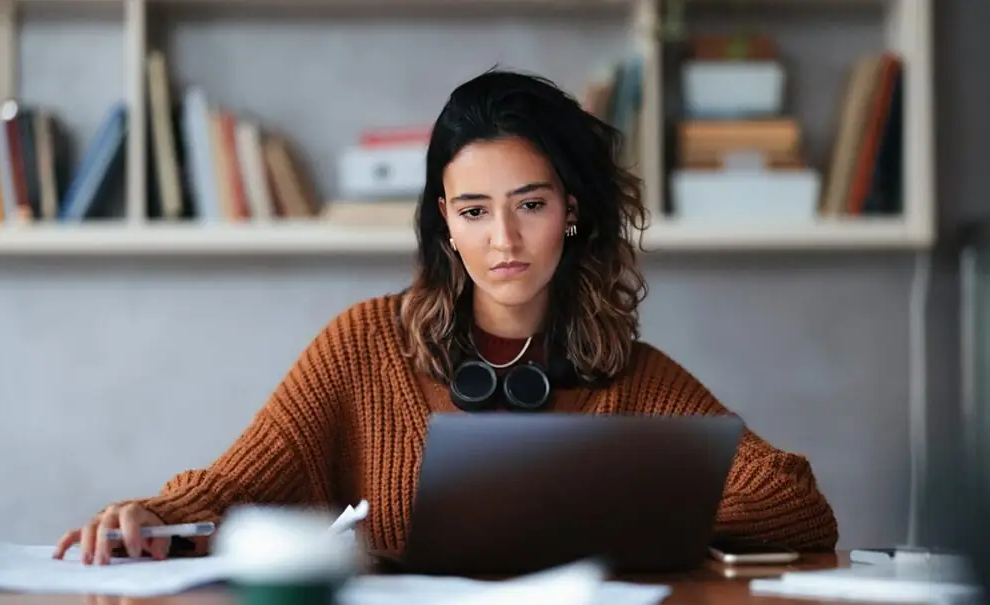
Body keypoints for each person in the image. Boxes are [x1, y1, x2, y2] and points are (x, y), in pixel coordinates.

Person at [53, 69, 839, 566]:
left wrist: (602, 511)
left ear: (570, 211)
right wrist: (151, 512)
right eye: (475, 210)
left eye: (530, 204)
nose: (504, 238)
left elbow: (798, 504)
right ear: (446, 222)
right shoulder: (364, 346)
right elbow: (232, 489)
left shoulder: (625, 371)